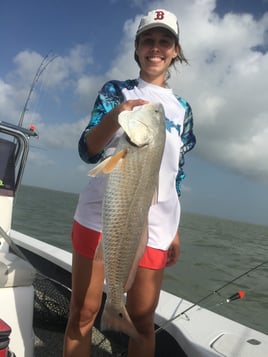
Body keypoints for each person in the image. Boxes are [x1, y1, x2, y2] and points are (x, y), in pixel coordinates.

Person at [63, 8, 196, 357]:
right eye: (148, 40)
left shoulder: (182, 109)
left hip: (155, 224)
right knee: (83, 313)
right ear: (136, 48)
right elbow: (89, 151)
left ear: (175, 51)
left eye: (164, 41)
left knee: (141, 321)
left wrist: (175, 229)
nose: (156, 48)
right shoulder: (116, 91)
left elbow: (175, 171)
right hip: (99, 215)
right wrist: (116, 115)